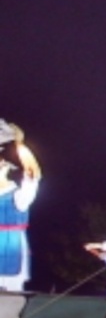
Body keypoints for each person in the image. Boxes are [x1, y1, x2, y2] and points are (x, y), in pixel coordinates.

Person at [0, 121, 41, 292]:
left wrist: (19, 144)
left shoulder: (19, 196)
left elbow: (33, 173)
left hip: (11, 249)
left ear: (4, 168)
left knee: (10, 298)